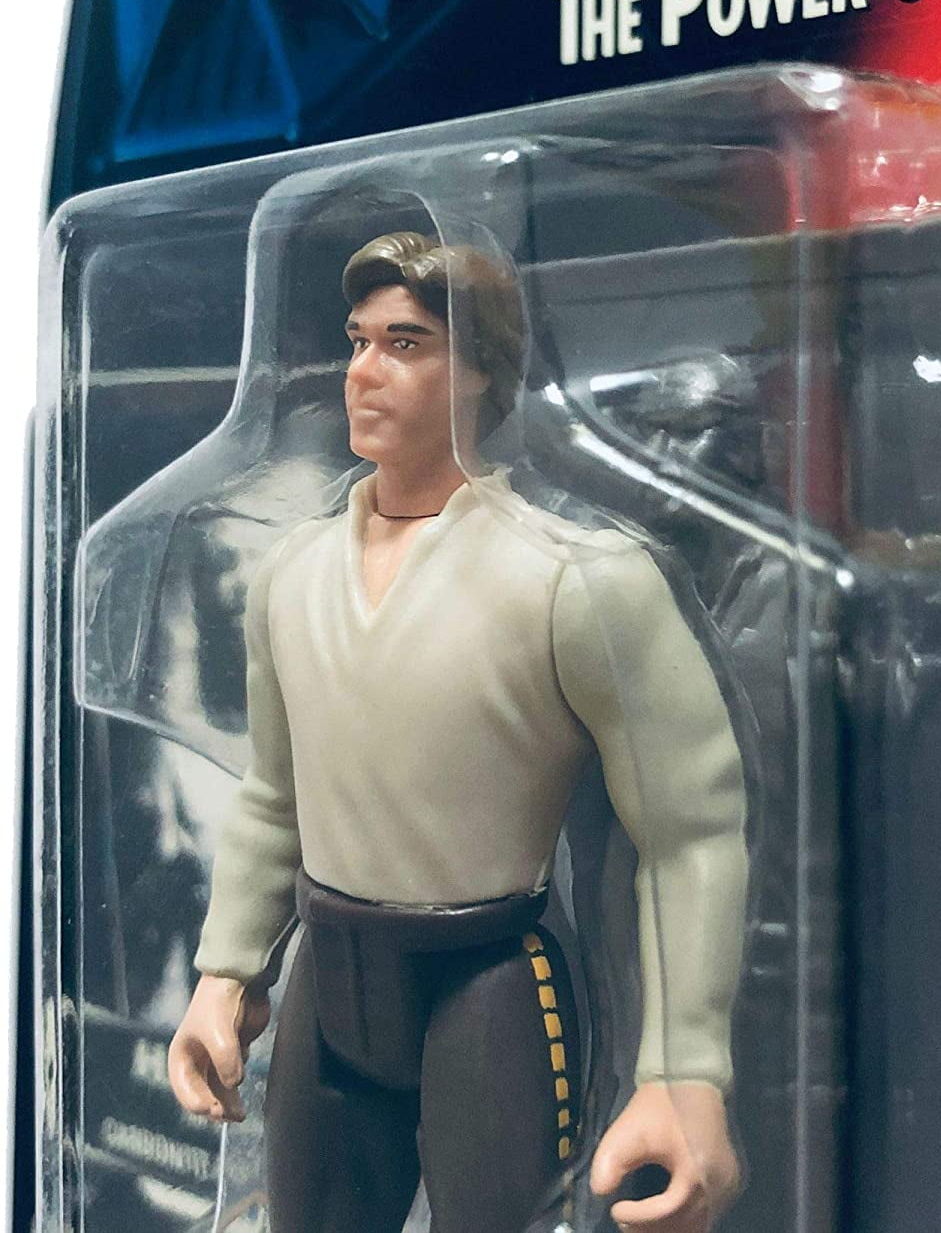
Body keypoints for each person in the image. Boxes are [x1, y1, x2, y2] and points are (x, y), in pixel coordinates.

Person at [167, 230, 748, 1233]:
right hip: (327, 984)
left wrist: (682, 1073)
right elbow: (274, 796)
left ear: (480, 368)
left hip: (487, 985)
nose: (363, 372)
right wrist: (226, 974)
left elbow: (690, 832)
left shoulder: (575, 580)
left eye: (405, 344)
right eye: (357, 341)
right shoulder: (292, 574)